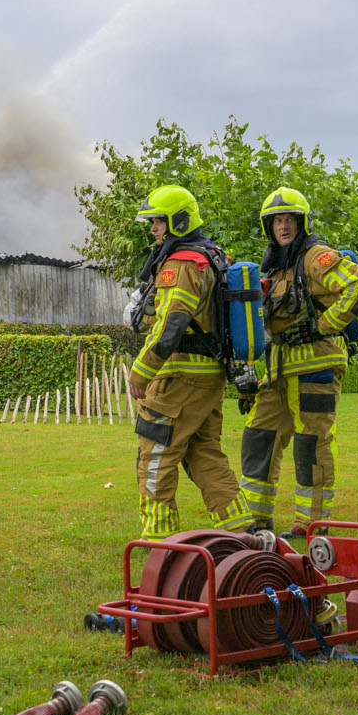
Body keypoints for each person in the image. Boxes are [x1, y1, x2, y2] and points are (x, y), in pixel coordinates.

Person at [237, 187, 358, 536]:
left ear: (302, 222)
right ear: (270, 227)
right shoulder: (276, 265)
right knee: (258, 436)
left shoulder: (316, 256)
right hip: (279, 369)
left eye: (289, 220)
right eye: (277, 221)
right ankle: (257, 521)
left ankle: (311, 524)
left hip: (315, 366)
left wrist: (325, 325)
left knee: (311, 444)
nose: (283, 226)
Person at [125, 186, 253, 536]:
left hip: (179, 377)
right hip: (207, 376)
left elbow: (171, 325)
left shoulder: (181, 263)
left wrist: (140, 372)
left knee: (155, 456)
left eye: (158, 222)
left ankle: (159, 542)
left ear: (178, 221)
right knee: (204, 453)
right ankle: (241, 532)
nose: (153, 229)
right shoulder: (210, 256)